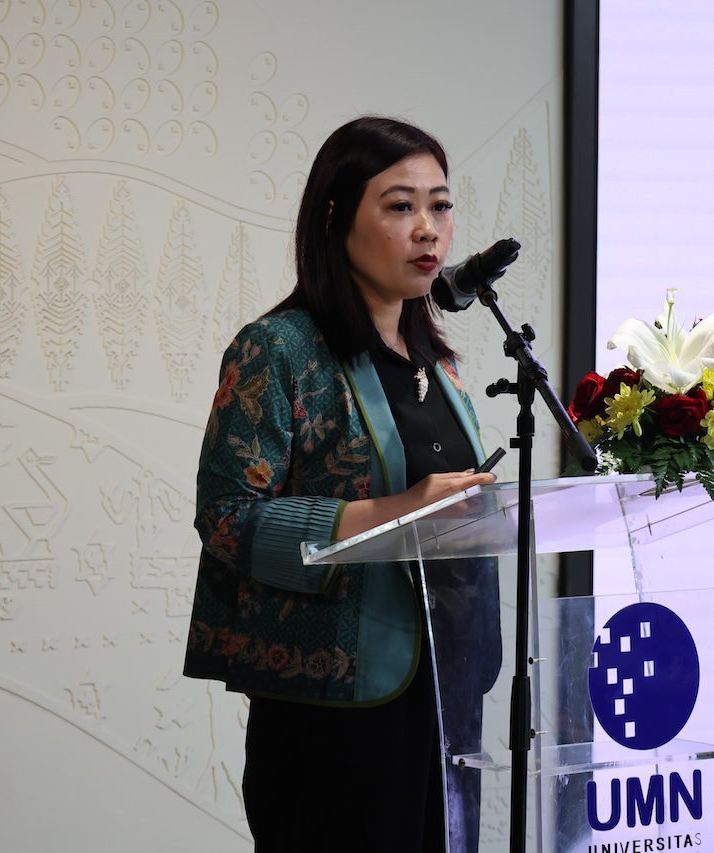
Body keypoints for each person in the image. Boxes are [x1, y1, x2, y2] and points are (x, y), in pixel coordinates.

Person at [184, 116, 501, 852]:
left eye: (440, 205)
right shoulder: (279, 349)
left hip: (447, 692)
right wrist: (398, 510)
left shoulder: (440, 366)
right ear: (335, 218)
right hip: (333, 712)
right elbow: (227, 516)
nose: (427, 229)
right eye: (400, 206)